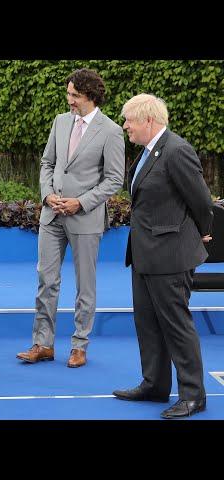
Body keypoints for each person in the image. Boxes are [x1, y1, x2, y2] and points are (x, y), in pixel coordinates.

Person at [112, 94, 212, 419]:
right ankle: (154, 384)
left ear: (148, 121)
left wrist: (201, 231)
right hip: (144, 254)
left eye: (129, 120)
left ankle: (194, 396)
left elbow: (201, 202)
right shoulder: (146, 153)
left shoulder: (177, 150)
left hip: (170, 255)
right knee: (147, 322)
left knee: (176, 325)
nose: (125, 125)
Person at [17, 68, 125, 368]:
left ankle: (80, 345)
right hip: (52, 215)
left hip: (86, 218)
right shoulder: (60, 121)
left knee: (84, 286)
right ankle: (43, 344)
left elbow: (114, 179)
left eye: (74, 95)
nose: (69, 100)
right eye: (68, 94)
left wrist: (81, 202)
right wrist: (47, 194)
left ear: (90, 96)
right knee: (46, 280)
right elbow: (47, 163)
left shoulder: (112, 131)